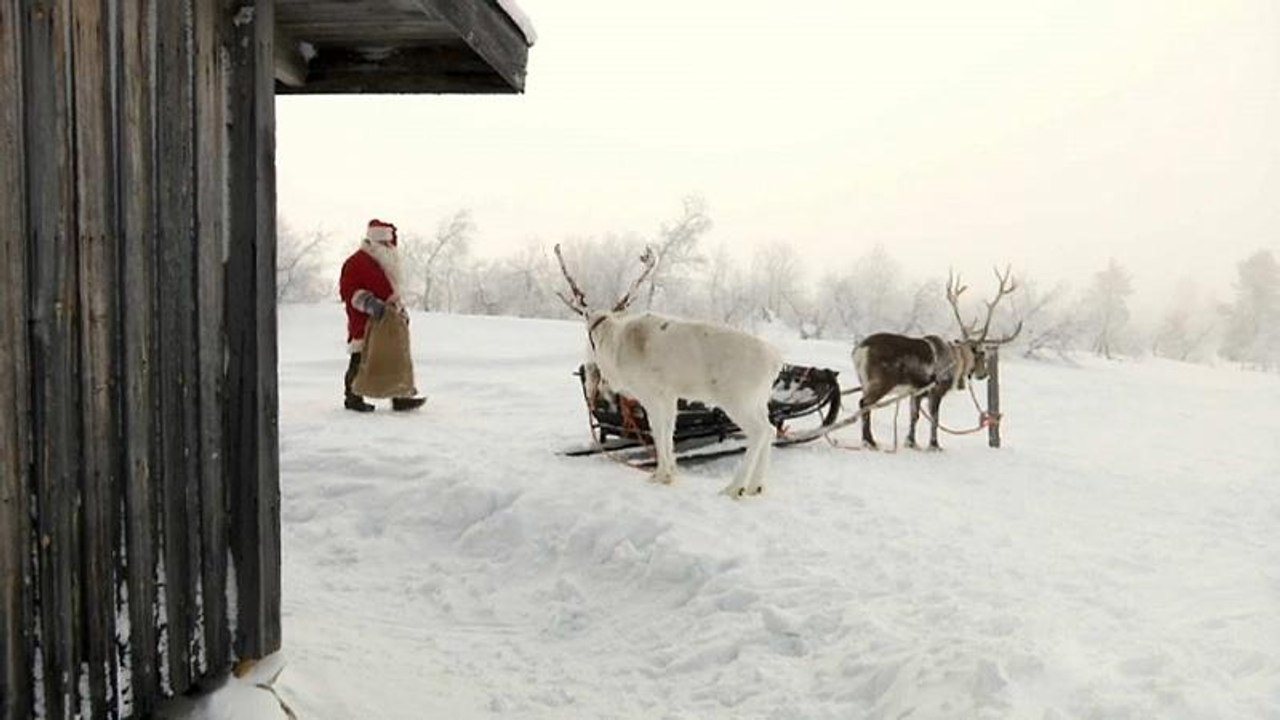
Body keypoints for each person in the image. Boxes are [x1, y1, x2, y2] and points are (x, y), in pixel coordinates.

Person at [338, 219, 426, 412]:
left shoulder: (384, 263)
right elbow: (348, 290)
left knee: (397, 359)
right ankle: (352, 398)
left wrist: (400, 311)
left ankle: (401, 396)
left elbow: (392, 291)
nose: (390, 247)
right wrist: (369, 303)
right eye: (386, 243)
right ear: (377, 242)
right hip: (366, 319)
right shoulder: (356, 262)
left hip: (390, 319)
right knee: (360, 358)